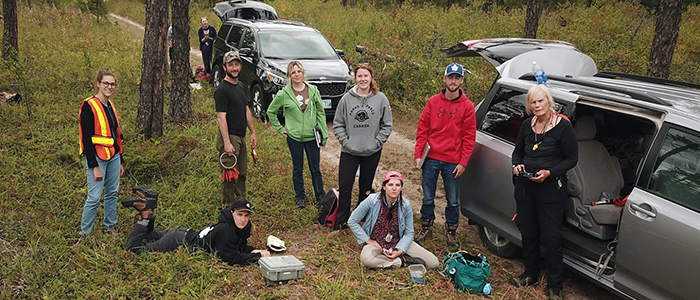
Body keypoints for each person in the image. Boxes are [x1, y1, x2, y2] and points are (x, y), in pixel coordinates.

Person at [510, 85, 578, 300]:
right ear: (529, 105)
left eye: (541, 101)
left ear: (549, 101)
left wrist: (550, 172)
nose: (537, 105)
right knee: (528, 232)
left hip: (551, 189)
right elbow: (517, 152)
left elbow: (572, 159)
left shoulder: (563, 127)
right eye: (533, 102)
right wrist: (517, 165)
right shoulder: (527, 125)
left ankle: (555, 286)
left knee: (550, 238)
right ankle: (530, 273)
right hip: (526, 187)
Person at [413, 63, 476, 247]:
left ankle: (451, 230)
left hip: (452, 161)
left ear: (462, 80)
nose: (453, 81)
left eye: (457, 78)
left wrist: (463, 162)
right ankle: (426, 225)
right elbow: (422, 129)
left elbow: (469, 137)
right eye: (450, 77)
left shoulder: (467, 107)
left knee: (452, 199)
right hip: (431, 157)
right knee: (428, 196)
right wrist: (419, 154)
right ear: (445, 79)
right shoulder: (433, 102)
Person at [123, 197, 271, 266]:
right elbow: (231, 258)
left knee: (148, 236)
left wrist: (252, 250)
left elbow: (238, 245)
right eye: (240, 215)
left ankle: (150, 209)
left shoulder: (239, 226)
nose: (243, 220)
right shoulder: (226, 230)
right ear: (232, 212)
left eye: (246, 216)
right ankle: (145, 215)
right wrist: (258, 257)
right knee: (133, 250)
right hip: (178, 241)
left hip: (182, 232)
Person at [333, 64, 392, 229]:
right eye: (360, 76)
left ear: (371, 77)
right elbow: (338, 124)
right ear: (355, 78)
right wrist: (346, 141)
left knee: (365, 187)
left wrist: (377, 141)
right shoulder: (346, 99)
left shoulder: (380, 99)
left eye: (366, 76)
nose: (363, 79)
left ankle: (361, 218)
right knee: (345, 186)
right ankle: (341, 220)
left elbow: (387, 125)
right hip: (349, 151)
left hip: (372, 151)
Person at [266, 61, 327, 208]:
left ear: (303, 73)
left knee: (315, 168)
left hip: (312, 136)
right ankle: (300, 197)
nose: (297, 74)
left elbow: (320, 112)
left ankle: (321, 196)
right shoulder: (284, 94)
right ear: (289, 75)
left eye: (299, 71)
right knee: (297, 168)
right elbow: (271, 112)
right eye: (293, 72)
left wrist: (323, 133)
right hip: (294, 138)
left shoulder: (313, 90)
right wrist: (281, 129)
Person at [348, 171, 439, 269]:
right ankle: (402, 261)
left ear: (401, 187)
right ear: (384, 186)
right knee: (367, 259)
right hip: (377, 243)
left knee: (433, 263)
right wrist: (368, 240)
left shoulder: (405, 205)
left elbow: (409, 232)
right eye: (390, 184)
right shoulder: (372, 200)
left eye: (398, 185)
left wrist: (400, 250)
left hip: (398, 241)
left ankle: (398, 256)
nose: (394, 188)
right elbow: (352, 220)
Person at [78, 68, 125, 237]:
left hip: (113, 156)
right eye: (106, 83)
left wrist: (121, 160)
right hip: (98, 158)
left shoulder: (111, 106)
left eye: (112, 84)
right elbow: (86, 139)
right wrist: (94, 166)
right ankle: (85, 234)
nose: (109, 87)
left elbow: (116, 134)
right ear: (98, 84)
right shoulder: (89, 106)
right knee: (94, 197)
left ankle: (110, 226)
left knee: (112, 193)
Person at [215, 50, 257, 207]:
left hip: (241, 136)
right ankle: (228, 207)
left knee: (242, 173)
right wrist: (226, 142)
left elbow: (246, 110)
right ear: (225, 67)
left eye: (237, 64)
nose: (234, 68)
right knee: (230, 175)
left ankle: (240, 204)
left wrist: (252, 132)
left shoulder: (240, 86)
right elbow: (221, 117)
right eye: (231, 65)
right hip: (230, 136)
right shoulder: (222, 90)